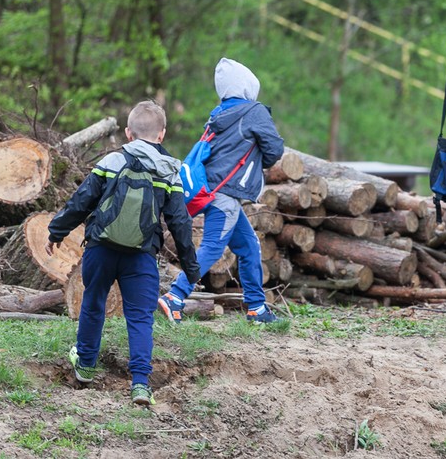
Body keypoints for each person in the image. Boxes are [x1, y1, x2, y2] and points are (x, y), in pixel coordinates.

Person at [46, 101, 200, 406]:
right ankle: (140, 384)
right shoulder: (169, 170)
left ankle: (85, 366)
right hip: (141, 255)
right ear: (162, 134)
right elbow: (180, 222)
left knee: (93, 303)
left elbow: (81, 200)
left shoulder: (112, 160)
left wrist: (56, 231)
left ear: (128, 132)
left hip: (101, 249)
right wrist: (190, 266)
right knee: (140, 317)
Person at [159, 57, 285, 324]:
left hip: (214, 191)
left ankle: (257, 308)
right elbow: (274, 150)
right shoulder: (254, 111)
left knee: (248, 246)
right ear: (248, 85)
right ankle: (175, 296)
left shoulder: (217, 114)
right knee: (213, 247)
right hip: (224, 195)